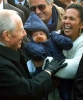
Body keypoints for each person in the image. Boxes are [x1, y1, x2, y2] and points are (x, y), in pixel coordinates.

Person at [0, 9, 67, 100]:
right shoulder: (2, 65)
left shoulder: (11, 50)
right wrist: (48, 71)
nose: (25, 33)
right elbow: (27, 91)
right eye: (21, 30)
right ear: (6, 35)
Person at [24, 12, 73, 100]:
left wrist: (66, 42)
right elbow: (36, 52)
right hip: (44, 71)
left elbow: (62, 40)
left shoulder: (53, 36)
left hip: (60, 65)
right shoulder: (32, 44)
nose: (39, 36)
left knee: (66, 89)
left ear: (47, 34)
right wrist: (40, 52)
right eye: (35, 35)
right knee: (43, 90)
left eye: (41, 34)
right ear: (31, 38)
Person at [51, 3, 83, 100]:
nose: (66, 22)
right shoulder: (55, 36)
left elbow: (74, 69)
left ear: (82, 24)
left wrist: (45, 63)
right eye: (65, 18)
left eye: (72, 19)